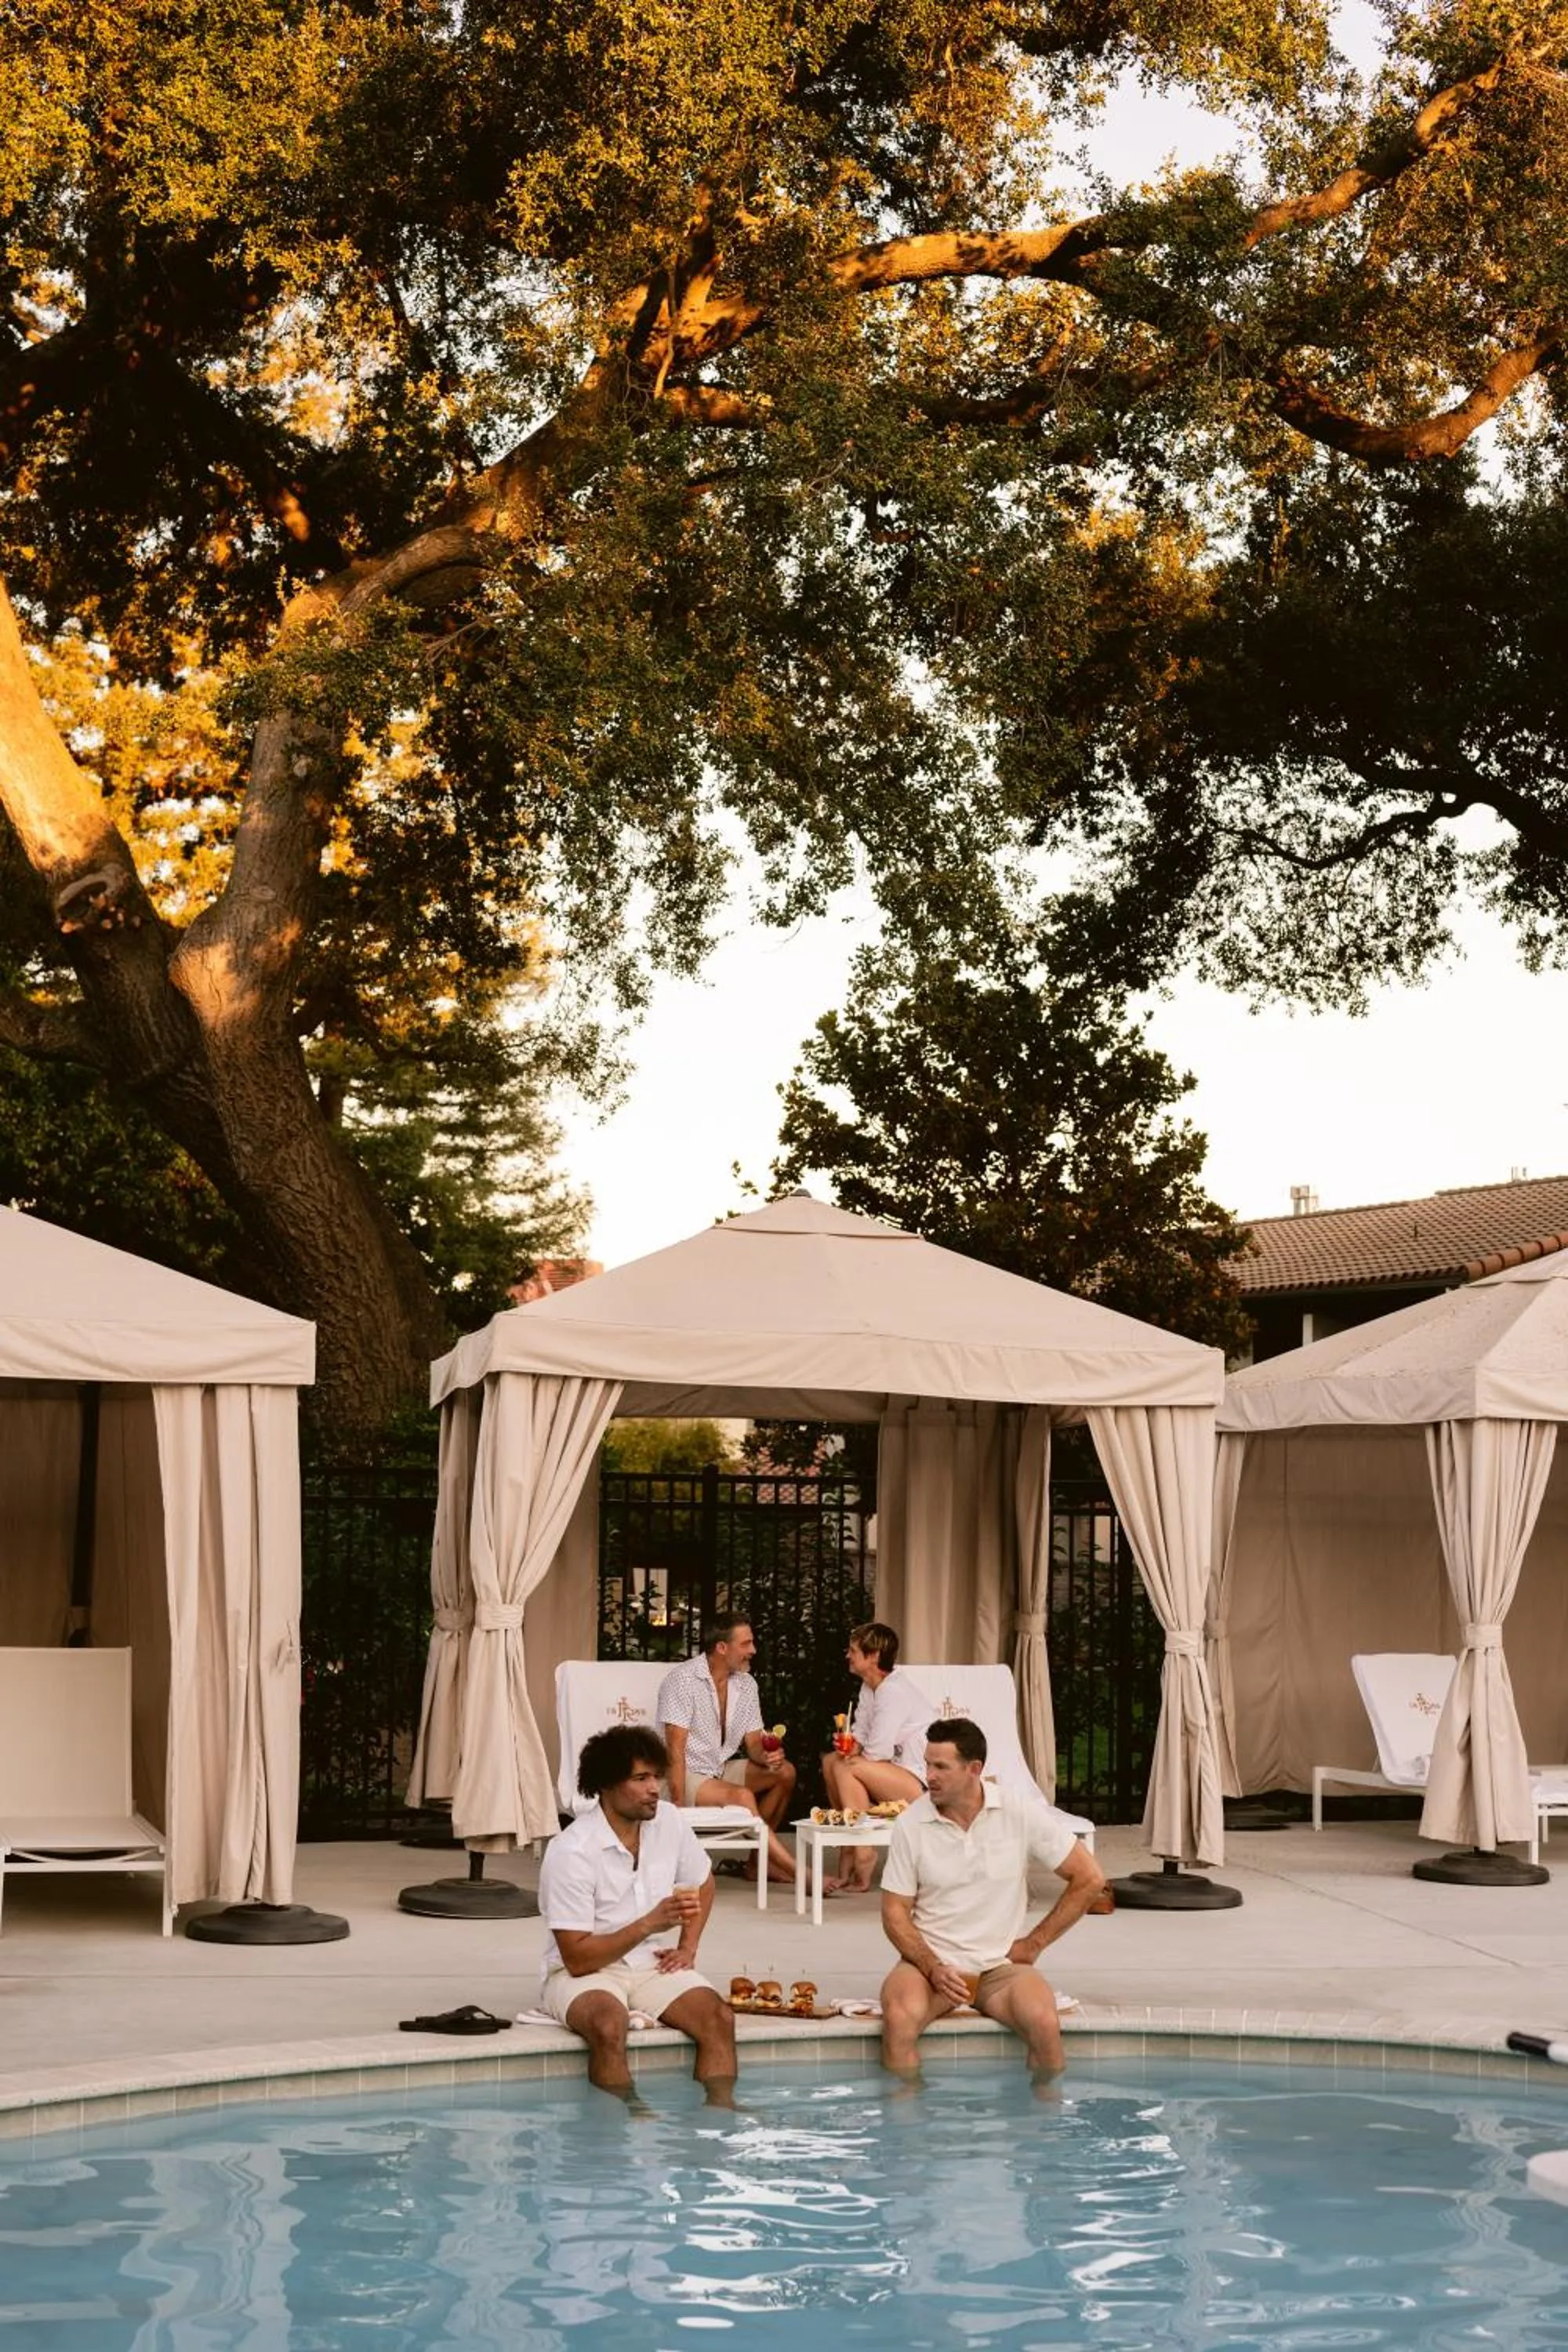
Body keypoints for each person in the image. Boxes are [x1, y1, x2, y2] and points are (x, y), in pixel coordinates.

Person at [879, 1717, 1105, 2084]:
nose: (929, 1776)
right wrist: (931, 1965)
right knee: (900, 2020)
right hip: (930, 1968)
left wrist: (1034, 1943)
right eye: (926, 1764)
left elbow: (1090, 1878)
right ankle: (909, 2130)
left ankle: (1041, 2128)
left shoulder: (1018, 1811)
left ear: (974, 1769)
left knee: (1045, 2024)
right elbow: (894, 1913)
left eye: (940, 1766)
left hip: (999, 1968)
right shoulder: (911, 1823)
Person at [537, 1722, 739, 2104]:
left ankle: (719, 2117)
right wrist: (649, 1923)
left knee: (719, 2019)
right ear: (607, 1785)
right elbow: (577, 1959)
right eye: (640, 1778)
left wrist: (688, 1948)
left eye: (656, 1777)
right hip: (584, 1972)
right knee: (609, 2025)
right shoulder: (571, 1851)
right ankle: (625, 2119)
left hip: (651, 1964)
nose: (653, 1789)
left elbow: (704, 1881)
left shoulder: (669, 1821)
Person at [657, 1615, 797, 1883]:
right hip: (685, 1772)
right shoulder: (683, 1681)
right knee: (743, 1796)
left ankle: (758, 1864)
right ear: (722, 1648)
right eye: (746, 1644)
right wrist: (676, 1814)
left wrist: (767, 1756)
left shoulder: (746, 1684)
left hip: (718, 1768)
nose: (753, 1651)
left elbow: (754, 1742)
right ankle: (799, 1872)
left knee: (785, 1773)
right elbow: (675, 1752)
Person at [820, 1621, 931, 1893]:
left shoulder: (893, 1691)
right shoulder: (870, 1687)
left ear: (873, 1657)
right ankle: (850, 1845)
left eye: (853, 1650)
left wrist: (855, 1751)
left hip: (918, 1781)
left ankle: (862, 1849)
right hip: (890, 1770)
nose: (847, 1655)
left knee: (847, 1768)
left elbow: (877, 1751)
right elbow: (860, 1735)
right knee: (831, 1761)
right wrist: (850, 1745)